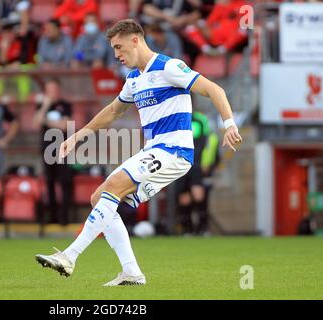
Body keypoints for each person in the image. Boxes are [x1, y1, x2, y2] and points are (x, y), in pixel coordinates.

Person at [35, 19, 242, 286]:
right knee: (100, 198)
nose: (116, 55)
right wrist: (78, 135)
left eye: (119, 47)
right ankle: (131, 272)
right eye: (113, 50)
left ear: (135, 40)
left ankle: (70, 256)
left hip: (174, 151)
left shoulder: (169, 67)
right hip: (155, 151)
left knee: (113, 185)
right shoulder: (133, 79)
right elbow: (112, 111)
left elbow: (214, 89)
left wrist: (229, 124)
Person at [32, 78, 73, 225]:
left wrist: (46, 121)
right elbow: (35, 123)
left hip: (63, 149)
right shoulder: (42, 106)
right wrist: (45, 106)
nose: (52, 93)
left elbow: (64, 125)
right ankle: (52, 217)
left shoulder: (65, 105)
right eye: (49, 90)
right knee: (49, 183)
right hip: (47, 150)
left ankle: (64, 218)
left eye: (54, 89)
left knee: (64, 182)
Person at [175, 111, 209, 235]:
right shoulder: (176, 118)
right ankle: (187, 229)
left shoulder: (200, 120)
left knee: (198, 194)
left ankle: (202, 228)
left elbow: (206, 142)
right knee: (184, 198)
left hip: (195, 164)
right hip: (180, 164)